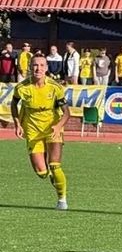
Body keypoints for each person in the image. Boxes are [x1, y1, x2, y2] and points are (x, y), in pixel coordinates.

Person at [10, 53, 71, 210]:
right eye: (35, 65)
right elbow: (14, 103)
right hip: (32, 130)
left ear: (46, 68)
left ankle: (62, 200)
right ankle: (50, 175)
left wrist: (58, 127)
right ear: (30, 67)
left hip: (53, 128)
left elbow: (67, 113)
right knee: (42, 172)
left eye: (42, 65)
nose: (38, 68)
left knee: (55, 165)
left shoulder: (55, 88)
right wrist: (17, 123)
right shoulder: (22, 88)